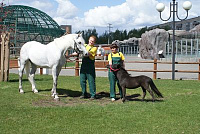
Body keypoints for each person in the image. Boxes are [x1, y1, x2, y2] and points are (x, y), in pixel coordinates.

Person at [80, 35, 97, 99]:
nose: (91, 42)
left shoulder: (94, 48)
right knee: (82, 80)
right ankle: (84, 93)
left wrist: (81, 51)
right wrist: (69, 56)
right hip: (83, 65)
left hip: (90, 66)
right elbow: (78, 51)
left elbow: (87, 54)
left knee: (91, 80)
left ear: (94, 42)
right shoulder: (84, 45)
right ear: (88, 40)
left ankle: (93, 95)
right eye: (90, 40)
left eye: (93, 41)